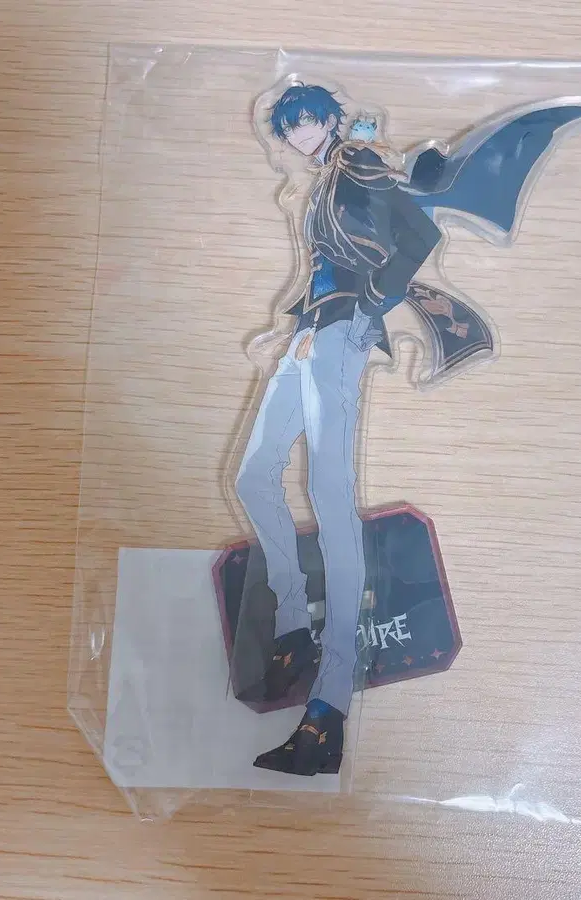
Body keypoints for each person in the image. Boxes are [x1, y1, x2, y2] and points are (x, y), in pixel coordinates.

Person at [235, 84, 442, 776]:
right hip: (309, 333)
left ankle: (328, 711)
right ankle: (294, 626)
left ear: (328, 118)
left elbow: (419, 235)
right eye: (287, 127)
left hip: (343, 334)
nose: (298, 134)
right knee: (254, 475)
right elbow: (325, 263)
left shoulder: (356, 160)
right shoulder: (326, 177)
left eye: (306, 120)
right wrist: (289, 323)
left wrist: (373, 301)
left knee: (329, 497)